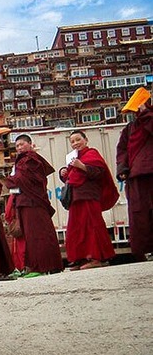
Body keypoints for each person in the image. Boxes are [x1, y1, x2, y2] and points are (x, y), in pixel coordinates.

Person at [2, 134, 63, 275]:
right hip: (25, 201)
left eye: (22, 144)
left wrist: (10, 180)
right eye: (17, 146)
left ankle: (45, 265)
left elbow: (21, 179)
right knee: (31, 235)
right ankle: (38, 265)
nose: (19, 148)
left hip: (33, 202)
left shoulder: (31, 159)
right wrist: (12, 180)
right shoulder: (22, 161)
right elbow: (18, 180)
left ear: (30, 144)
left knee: (39, 234)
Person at [58, 130, 119, 270]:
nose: (75, 143)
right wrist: (64, 173)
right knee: (76, 229)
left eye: (78, 139)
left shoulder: (92, 154)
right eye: (72, 141)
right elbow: (71, 178)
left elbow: (99, 173)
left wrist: (82, 166)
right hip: (76, 197)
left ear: (86, 140)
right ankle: (80, 258)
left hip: (89, 196)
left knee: (92, 226)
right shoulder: (73, 158)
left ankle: (97, 257)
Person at [115, 87, 153, 261]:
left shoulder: (149, 120)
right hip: (136, 176)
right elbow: (122, 150)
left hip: (150, 172)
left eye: (138, 107)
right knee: (139, 214)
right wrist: (122, 168)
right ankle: (145, 249)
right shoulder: (130, 128)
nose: (135, 112)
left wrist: (146, 114)